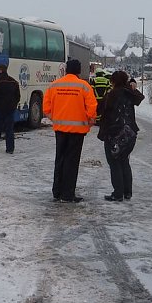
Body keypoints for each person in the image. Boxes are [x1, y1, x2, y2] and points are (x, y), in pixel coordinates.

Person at [43, 58, 98, 203]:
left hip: (60, 129)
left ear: (66, 70)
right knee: (71, 162)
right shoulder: (84, 86)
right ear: (79, 71)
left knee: (59, 159)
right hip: (77, 131)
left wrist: (55, 118)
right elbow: (92, 108)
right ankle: (68, 194)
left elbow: (46, 108)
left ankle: (57, 191)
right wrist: (90, 121)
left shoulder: (54, 86)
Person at [97, 70, 144, 201]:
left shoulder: (111, 95)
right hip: (130, 134)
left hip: (114, 134)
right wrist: (132, 85)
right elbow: (140, 97)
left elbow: (100, 110)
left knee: (114, 163)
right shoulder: (129, 94)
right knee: (124, 162)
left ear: (113, 81)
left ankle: (117, 193)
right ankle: (127, 192)